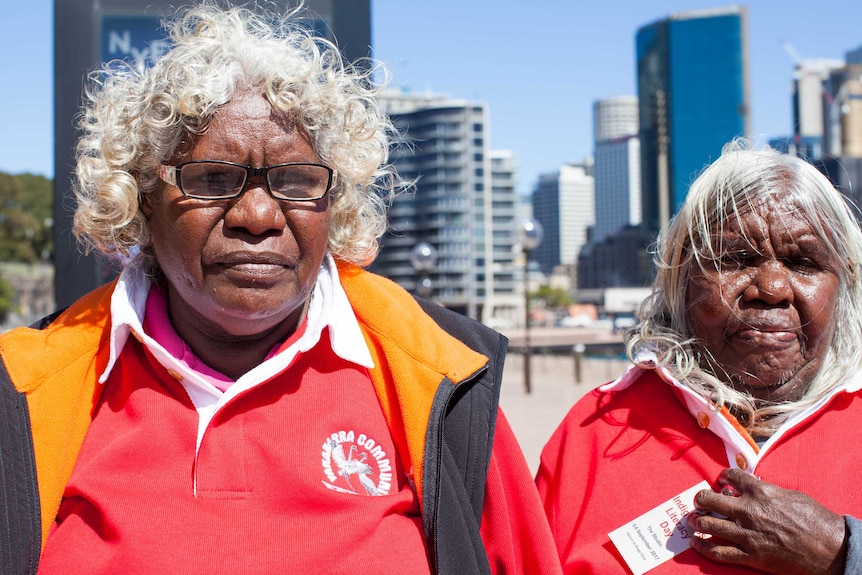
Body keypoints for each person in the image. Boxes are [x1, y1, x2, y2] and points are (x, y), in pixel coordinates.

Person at [0, 5, 561, 574]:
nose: (259, 214)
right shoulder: (27, 393)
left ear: (333, 203)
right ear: (145, 195)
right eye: (213, 178)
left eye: (295, 181)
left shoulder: (443, 376)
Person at [537, 139, 862, 574]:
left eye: (802, 262)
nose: (770, 289)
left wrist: (843, 552)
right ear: (681, 276)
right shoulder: (594, 432)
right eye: (735, 258)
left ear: (844, 282)